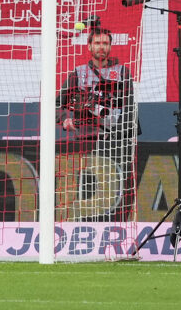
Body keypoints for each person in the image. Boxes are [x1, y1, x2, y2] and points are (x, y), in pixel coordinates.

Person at [56, 26, 137, 220]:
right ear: (89, 46)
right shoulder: (78, 72)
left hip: (115, 142)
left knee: (116, 189)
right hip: (86, 139)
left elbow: (129, 107)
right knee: (85, 188)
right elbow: (58, 102)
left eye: (106, 43)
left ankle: (119, 225)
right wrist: (64, 120)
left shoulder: (122, 72)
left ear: (110, 46)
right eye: (98, 43)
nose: (102, 47)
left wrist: (120, 134)